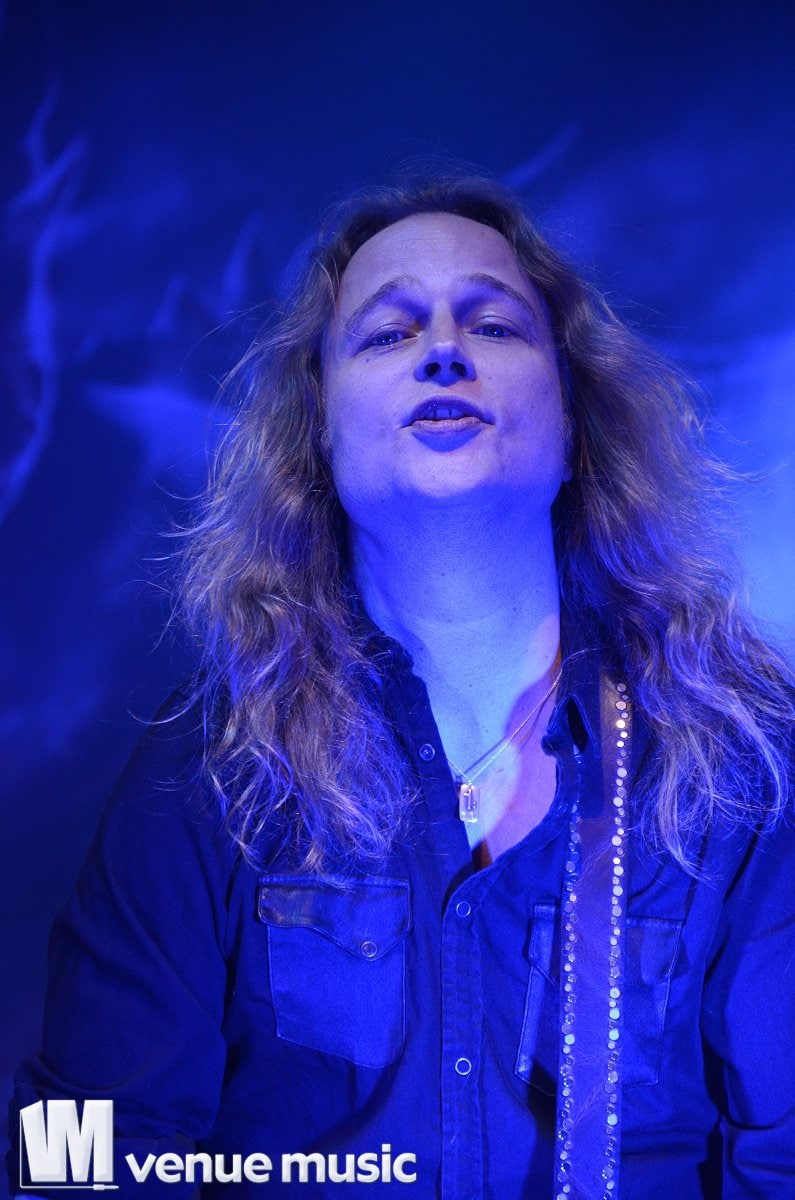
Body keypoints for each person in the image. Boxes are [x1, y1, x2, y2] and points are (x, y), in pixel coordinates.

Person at [9, 172, 795, 1199]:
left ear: (571, 427)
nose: (443, 349)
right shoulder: (205, 766)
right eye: (386, 334)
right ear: (321, 437)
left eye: (494, 325)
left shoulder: (735, 755)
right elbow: (78, 1153)